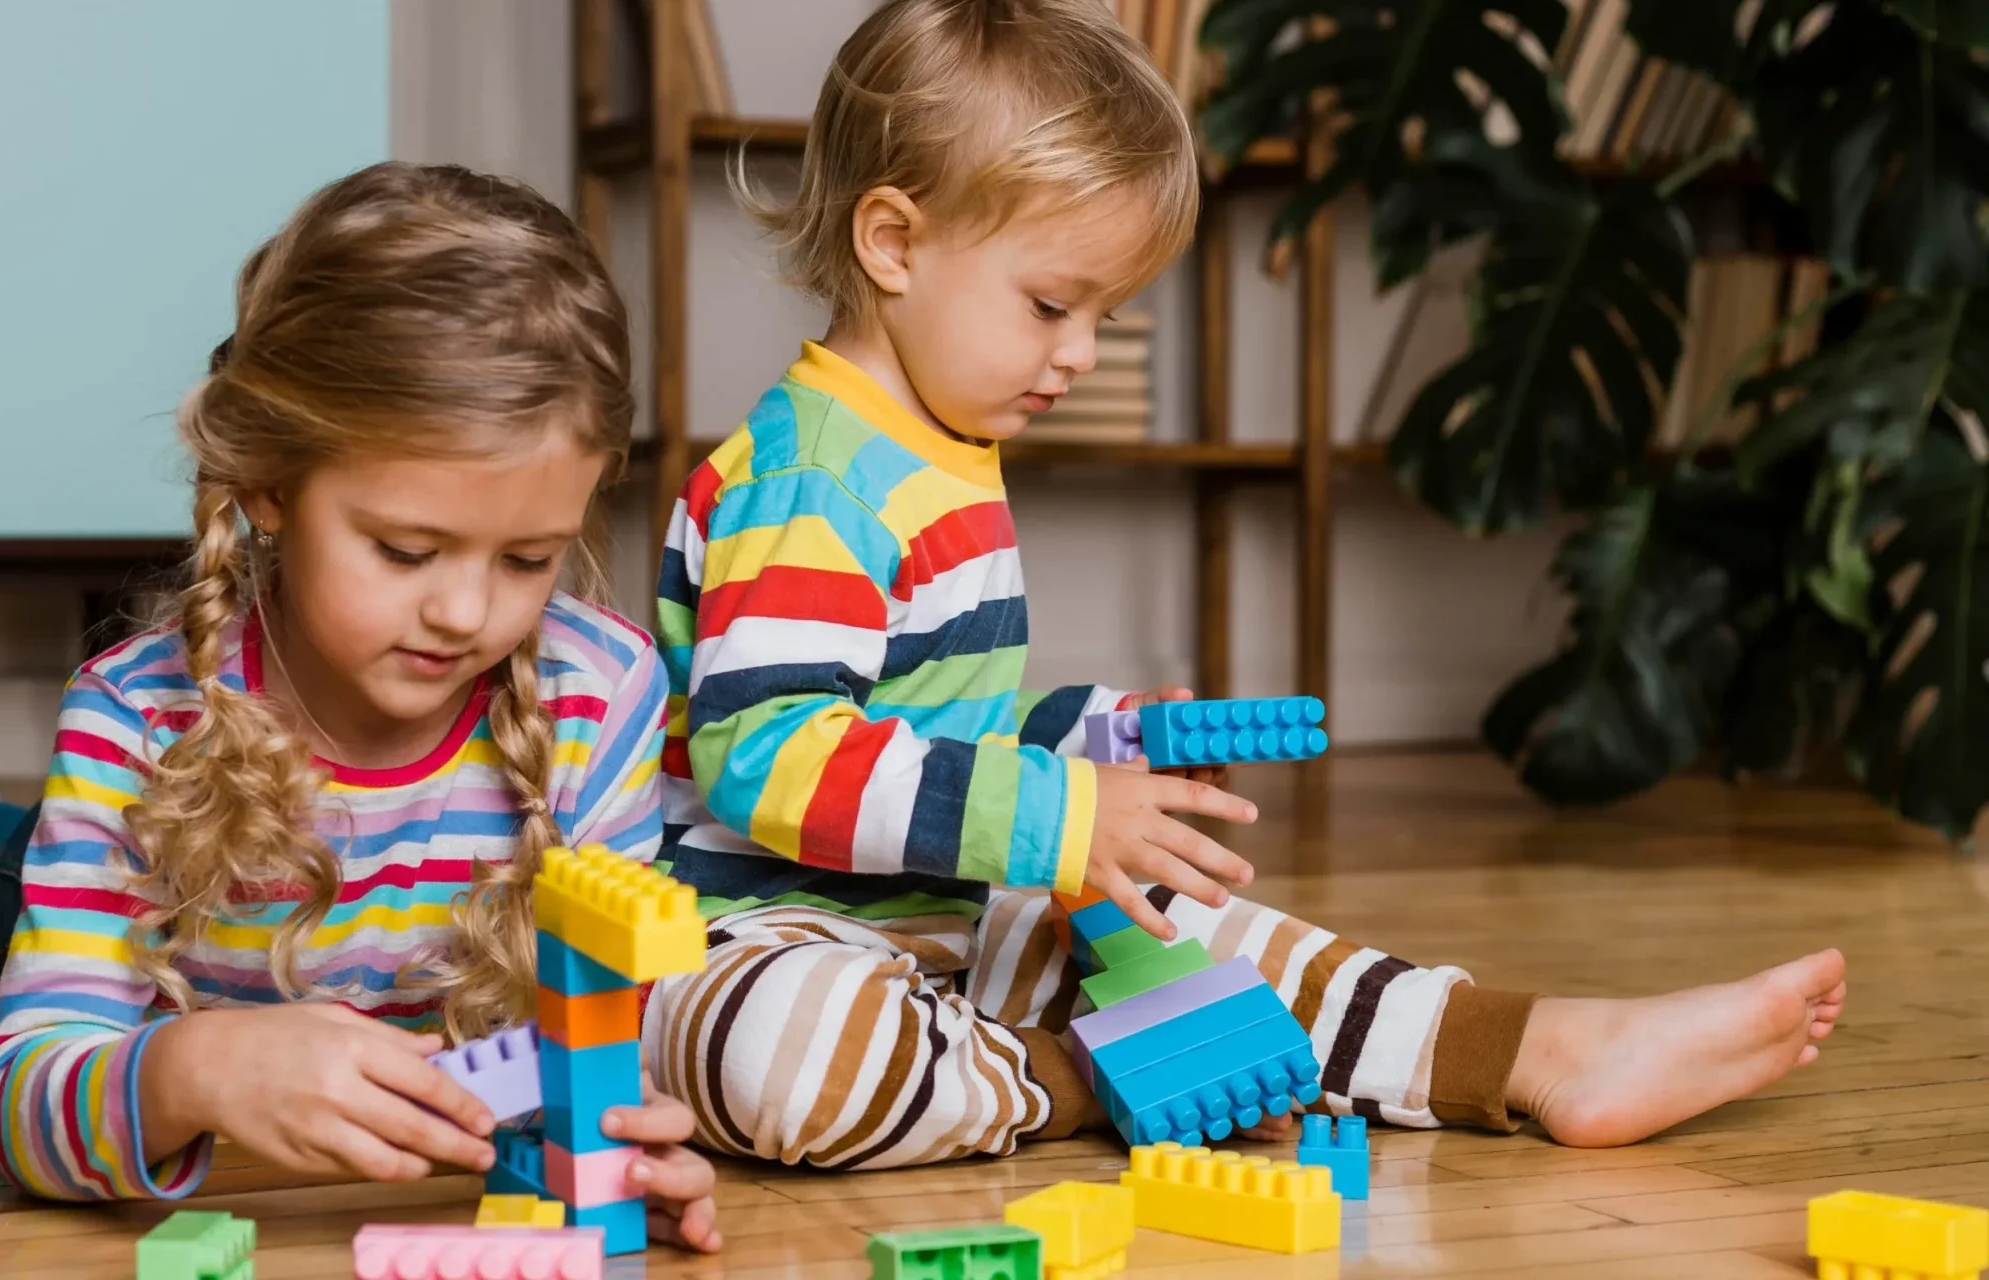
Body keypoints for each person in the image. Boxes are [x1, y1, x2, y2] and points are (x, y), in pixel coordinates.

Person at [643, 0, 1847, 1169]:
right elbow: (771, 751)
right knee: (783, 1050)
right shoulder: (811, 480)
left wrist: (1102, 742)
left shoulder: (939, 455)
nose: (1080, 352)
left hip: (936, 922)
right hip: (769, 932)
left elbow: (930, 730)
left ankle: (1537, 1048)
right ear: (893, 242)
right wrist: (1058, 813)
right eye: (1052, 305)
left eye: (1103, 314)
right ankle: (1087, 1076)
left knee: (1196, 924)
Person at [0, 162, 720, 1249]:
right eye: (405, 549)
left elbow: (590, 1033)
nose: (463, 613)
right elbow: (26, 1096)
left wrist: (613, 1134)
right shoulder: (135, 723)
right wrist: (192, 1069)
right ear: (267, 481)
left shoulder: (608, 693)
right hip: (140, 959)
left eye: (526, 558)